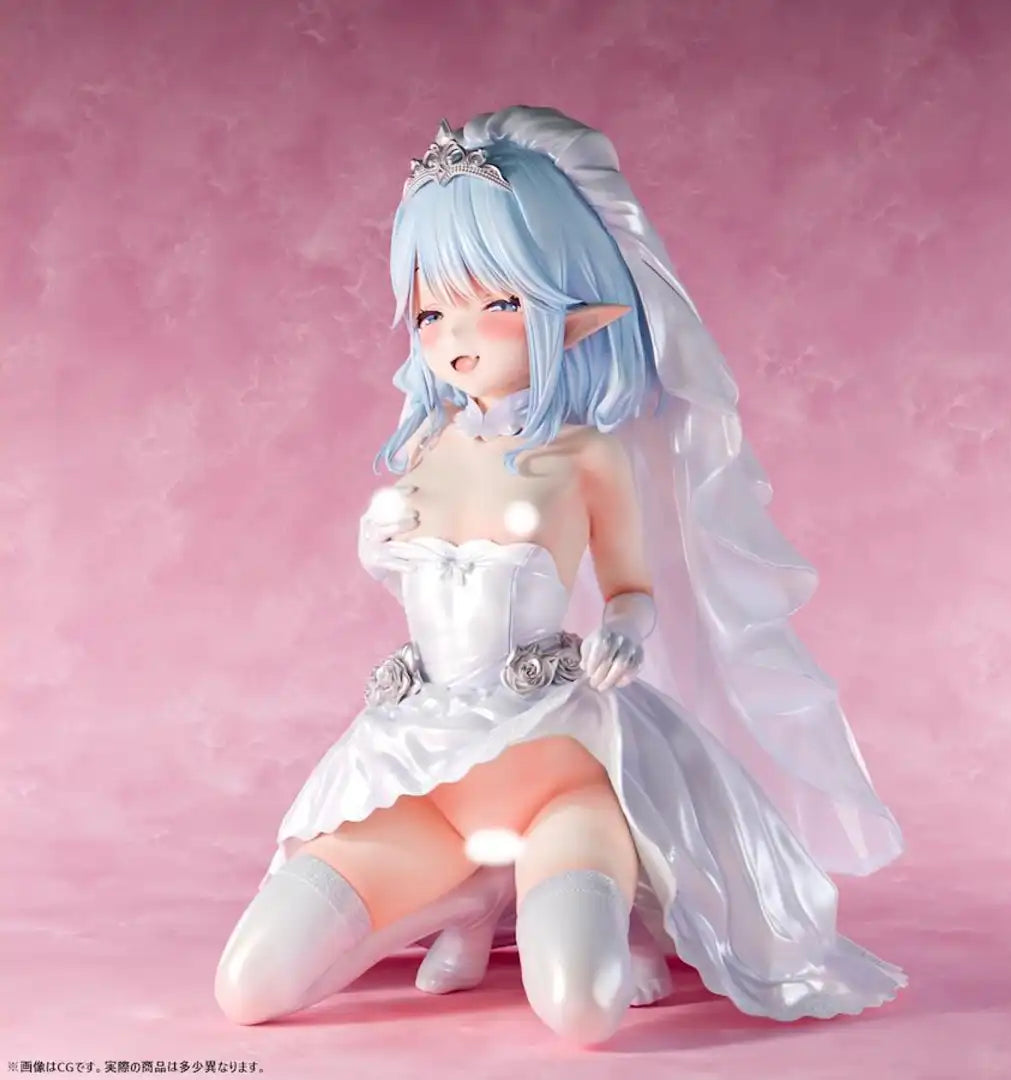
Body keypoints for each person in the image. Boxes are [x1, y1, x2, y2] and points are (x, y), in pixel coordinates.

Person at [214, 106, 907, 1047]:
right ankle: (466, 894)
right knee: (248, 988)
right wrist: (378, 548)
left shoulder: (585, 454)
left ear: (567, 307)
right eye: (431, 313)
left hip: (554, 773)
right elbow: (429, 589)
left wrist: (624, 627)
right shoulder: (422, 446)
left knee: (580, 1008)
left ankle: (581, 875)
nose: (457, 338)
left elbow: (631, 587)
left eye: (496, 304)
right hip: (418, 772)